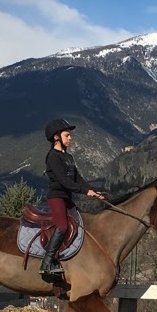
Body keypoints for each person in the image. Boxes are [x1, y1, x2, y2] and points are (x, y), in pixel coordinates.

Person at [41, 118, 104, 280]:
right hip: (56, 197)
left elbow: (77, 178)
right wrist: (84, 191)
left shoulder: (68, 157)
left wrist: (91, 190)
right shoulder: (53, 157)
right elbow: (63, 181)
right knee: (62, 226)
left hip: (67, 198)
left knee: (80, 223)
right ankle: (47, 262)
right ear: (56, 137)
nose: (70, 138)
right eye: (67, 135)